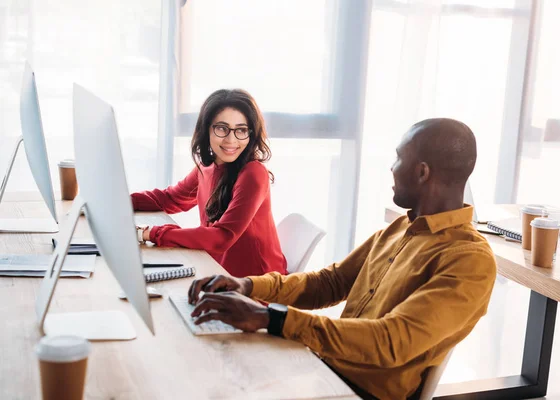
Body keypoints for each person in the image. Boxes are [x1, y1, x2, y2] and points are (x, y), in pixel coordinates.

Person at [186, 118, 497, 400]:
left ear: (422, 172)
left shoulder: (469, 260)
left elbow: (392, 341)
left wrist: (271, 318)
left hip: (357, 392)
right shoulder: (401, 228)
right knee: (205, 369)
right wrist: (248, 287)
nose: (392, 166)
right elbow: (329, 283)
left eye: (400, 157)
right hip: (324, 371)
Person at [131, 89, 287, 277]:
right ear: (207, 130)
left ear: (251, 134)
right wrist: (114, 201)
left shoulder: (253, 174)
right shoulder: (208, 167)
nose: (231, 140)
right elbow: (169, 199)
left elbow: (222, 238)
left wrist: (150, 233)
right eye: (222, 128)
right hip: (217, 273)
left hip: (255, 286)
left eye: (241, 130)